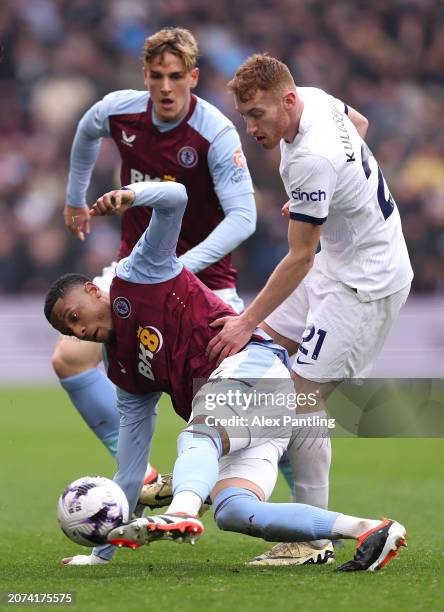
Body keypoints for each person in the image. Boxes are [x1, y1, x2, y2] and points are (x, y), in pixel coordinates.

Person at [45, 182, 407, 572]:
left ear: (91, 290)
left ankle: (180, 511)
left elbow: (177, 198)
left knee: (197, 436)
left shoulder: (137, 272)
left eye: (74, 316)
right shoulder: (122, 373)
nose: (78, 331)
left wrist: (133, 195)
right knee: (234, 511)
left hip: (252, 369)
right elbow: (132, 470)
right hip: (249, 420)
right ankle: (369, 529)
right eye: (69, 330)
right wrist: (99, 556)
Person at [204, 54, 413, 565]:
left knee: (298, 401)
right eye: (244, 116)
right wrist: (319, 201)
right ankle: (240, 476)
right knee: (265, 355)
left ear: (288, 101)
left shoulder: (309, 157)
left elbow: (299, 255)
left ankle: (309, 538)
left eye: (257, 114)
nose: (251, 127)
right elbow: (358, 125)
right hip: (337, 261)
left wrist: (245, 318)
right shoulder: (317, 100)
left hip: (365, 283)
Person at [52, 28, 256, 462]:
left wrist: (181, 265)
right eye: (158, 75)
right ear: (145, 75)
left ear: (194, 77)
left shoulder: (215, 133)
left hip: (203, 282)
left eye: (176, 76)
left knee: (254, 406)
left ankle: (311, 521)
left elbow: (244, 218)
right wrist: (74, 199)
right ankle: (140, 478)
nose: (166, 86)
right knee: (70, 356)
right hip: (134, 273)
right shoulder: (120, 112)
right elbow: (87, 131)